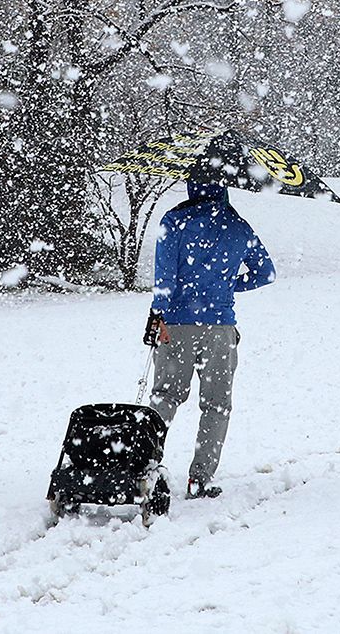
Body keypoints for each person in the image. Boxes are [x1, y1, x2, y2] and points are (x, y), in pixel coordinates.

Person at [142, 180, 274, 499]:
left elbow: (165, 277)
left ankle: (142, 465)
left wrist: (157, 312)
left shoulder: (174, 221)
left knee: (165, 396)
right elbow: (265, 273)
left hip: (176, 324)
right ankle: (200, 478)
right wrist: (227, 286)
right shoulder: (238, 225)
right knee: (216, 404)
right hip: (221, 329)